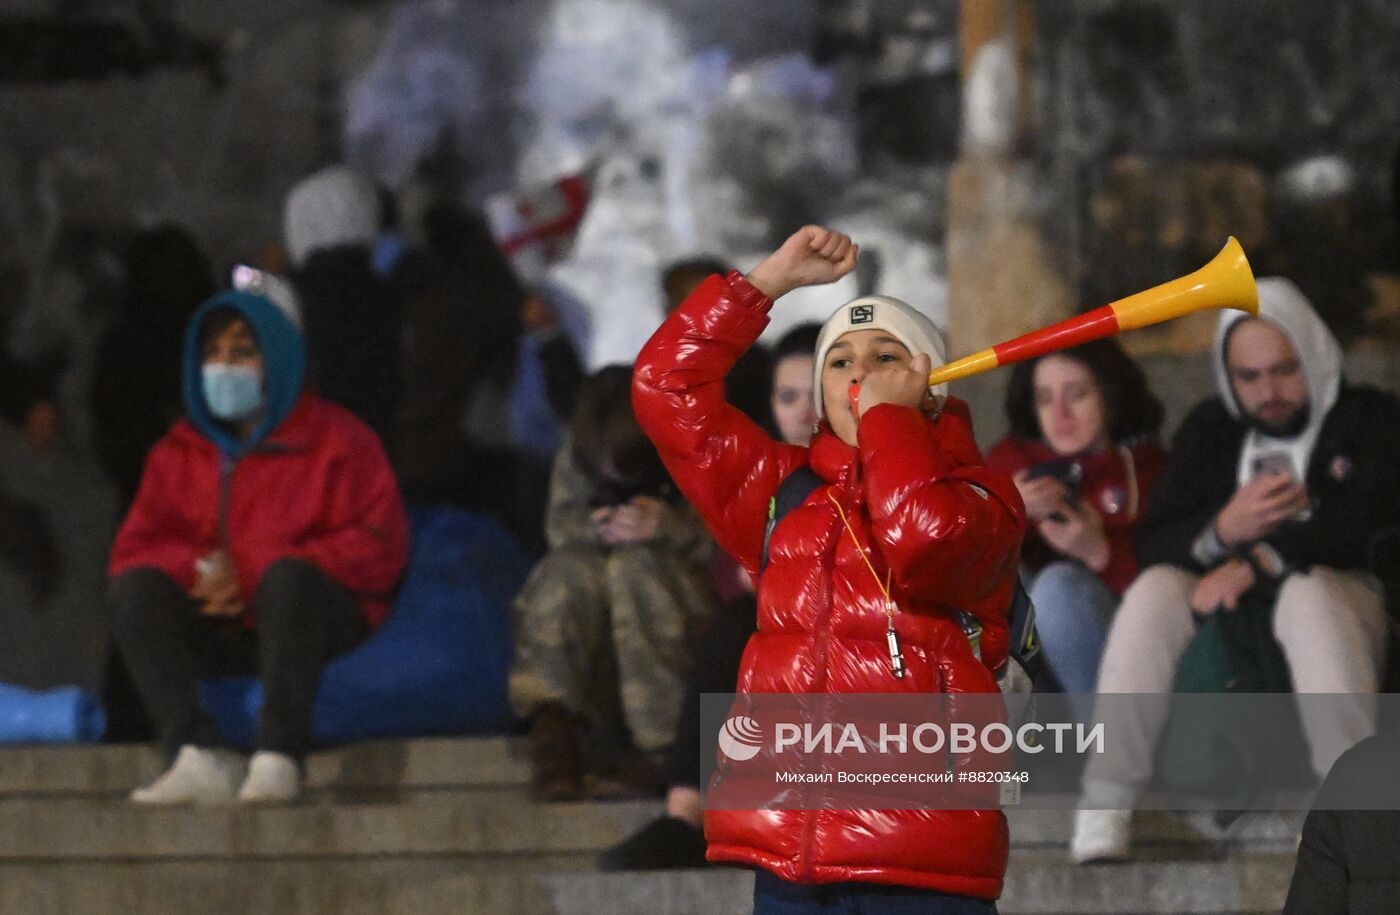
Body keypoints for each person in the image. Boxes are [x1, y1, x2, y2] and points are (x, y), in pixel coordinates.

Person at [634, 226, 1024, 911]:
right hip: (789, 862)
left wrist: (892, 424)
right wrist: (763, 286)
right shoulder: (781, 490)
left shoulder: (983, 495)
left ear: (930, 381)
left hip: (919, 858)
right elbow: (666, 389)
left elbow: (923, 541)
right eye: (839, 360)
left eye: (885, 356)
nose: (859, 372)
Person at [1070, 277, 1400, 863]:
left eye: (1284, 370)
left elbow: (1370, 521)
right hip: (1234, 626)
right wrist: (1222, 531)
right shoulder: (1213, 430)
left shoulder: (1370, 419)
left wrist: (1262, 560)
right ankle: (1106, 799)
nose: (1268, 391)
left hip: (1342, 613)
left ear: (1314, 353)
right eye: (1248, 377)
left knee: (1309, 596)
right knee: (1153, 591)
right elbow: (1158, 541)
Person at [108, 289, 408, 804]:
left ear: (278, 359)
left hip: (309, 619)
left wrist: (251, 573)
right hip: (220, 618)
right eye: (213, 353)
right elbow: (139, 546)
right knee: (133, 591)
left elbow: (379, 544)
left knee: (289, 581)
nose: (224, 366)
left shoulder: (339, 440)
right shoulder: (179, 451)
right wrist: (199, 575)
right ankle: (194, 751)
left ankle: (279, 754)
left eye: (243, 352)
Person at [600, 321, 821, 871]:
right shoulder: (767, 469)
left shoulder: (876, 464)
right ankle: (686, 811)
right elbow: (730, 561)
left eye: (816, 394)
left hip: (851, 628)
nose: (802, 411)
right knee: (732, 626)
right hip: (770, 622)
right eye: (788, 396)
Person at [509, 366, 715, 801]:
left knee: (634, 567)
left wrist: (671, 528)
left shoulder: (697, 443)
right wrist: (595, 527)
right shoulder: (585, 441)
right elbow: (560, 525)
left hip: (682, 633)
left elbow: (737, 549)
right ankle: (555, 730)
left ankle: (664, 749)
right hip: (601, 633)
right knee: (564, 573)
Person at [986, 340, 1165, 705]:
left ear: (1110, 396)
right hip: (1031, 676)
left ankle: (1104, 747)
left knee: (1058, 587)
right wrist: (1003, 515)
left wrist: (1100, 553)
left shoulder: (1150, 470)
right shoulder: (1007, 462)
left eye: (1077, 394)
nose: (1060, 414)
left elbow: (1170, 595)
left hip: (1124, 652)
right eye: (1045, 399)